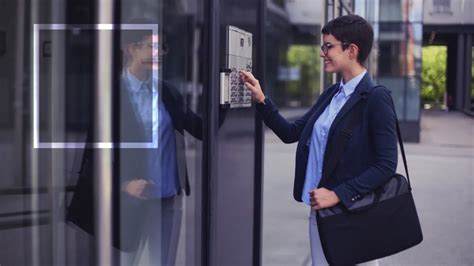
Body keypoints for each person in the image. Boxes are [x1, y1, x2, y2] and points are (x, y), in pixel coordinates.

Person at [240, 14, 397, 266]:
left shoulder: (376, 98)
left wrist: (338, 194)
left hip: (354, 214)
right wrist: (261, 99)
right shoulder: (331, 94)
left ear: (352, 50)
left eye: (329, 46)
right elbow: (291, 133)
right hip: (321, 212)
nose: (323, 53)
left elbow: (386, 164)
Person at [67, 25, 203, 265]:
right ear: (131, 49)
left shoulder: (167, 92)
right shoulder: (111, 96)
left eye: (162, 47)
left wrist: (227, 96)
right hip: (128, 203)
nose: (160, 53)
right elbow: (94, 154)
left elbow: (201, 129)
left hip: (167, 201)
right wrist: (124, 184)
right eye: (153, 46)